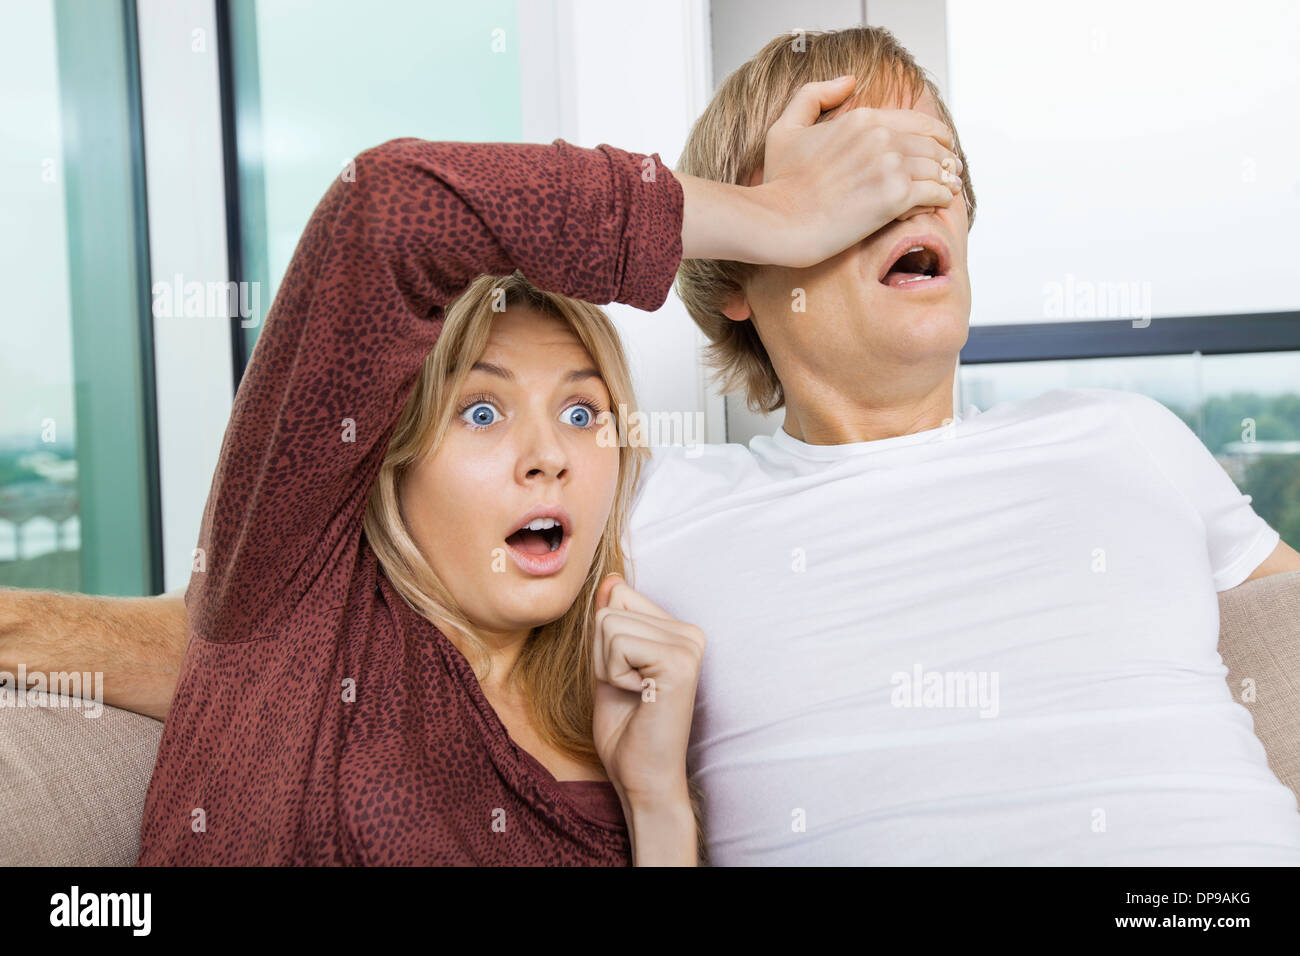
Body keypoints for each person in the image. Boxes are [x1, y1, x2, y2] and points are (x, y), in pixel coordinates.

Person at [10, 25, 1298, 864]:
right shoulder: (646, 519)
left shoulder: (1134, 440)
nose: (917, 186)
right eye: (854, 165)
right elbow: (287, 651)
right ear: (744, 265)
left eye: (934, 162)